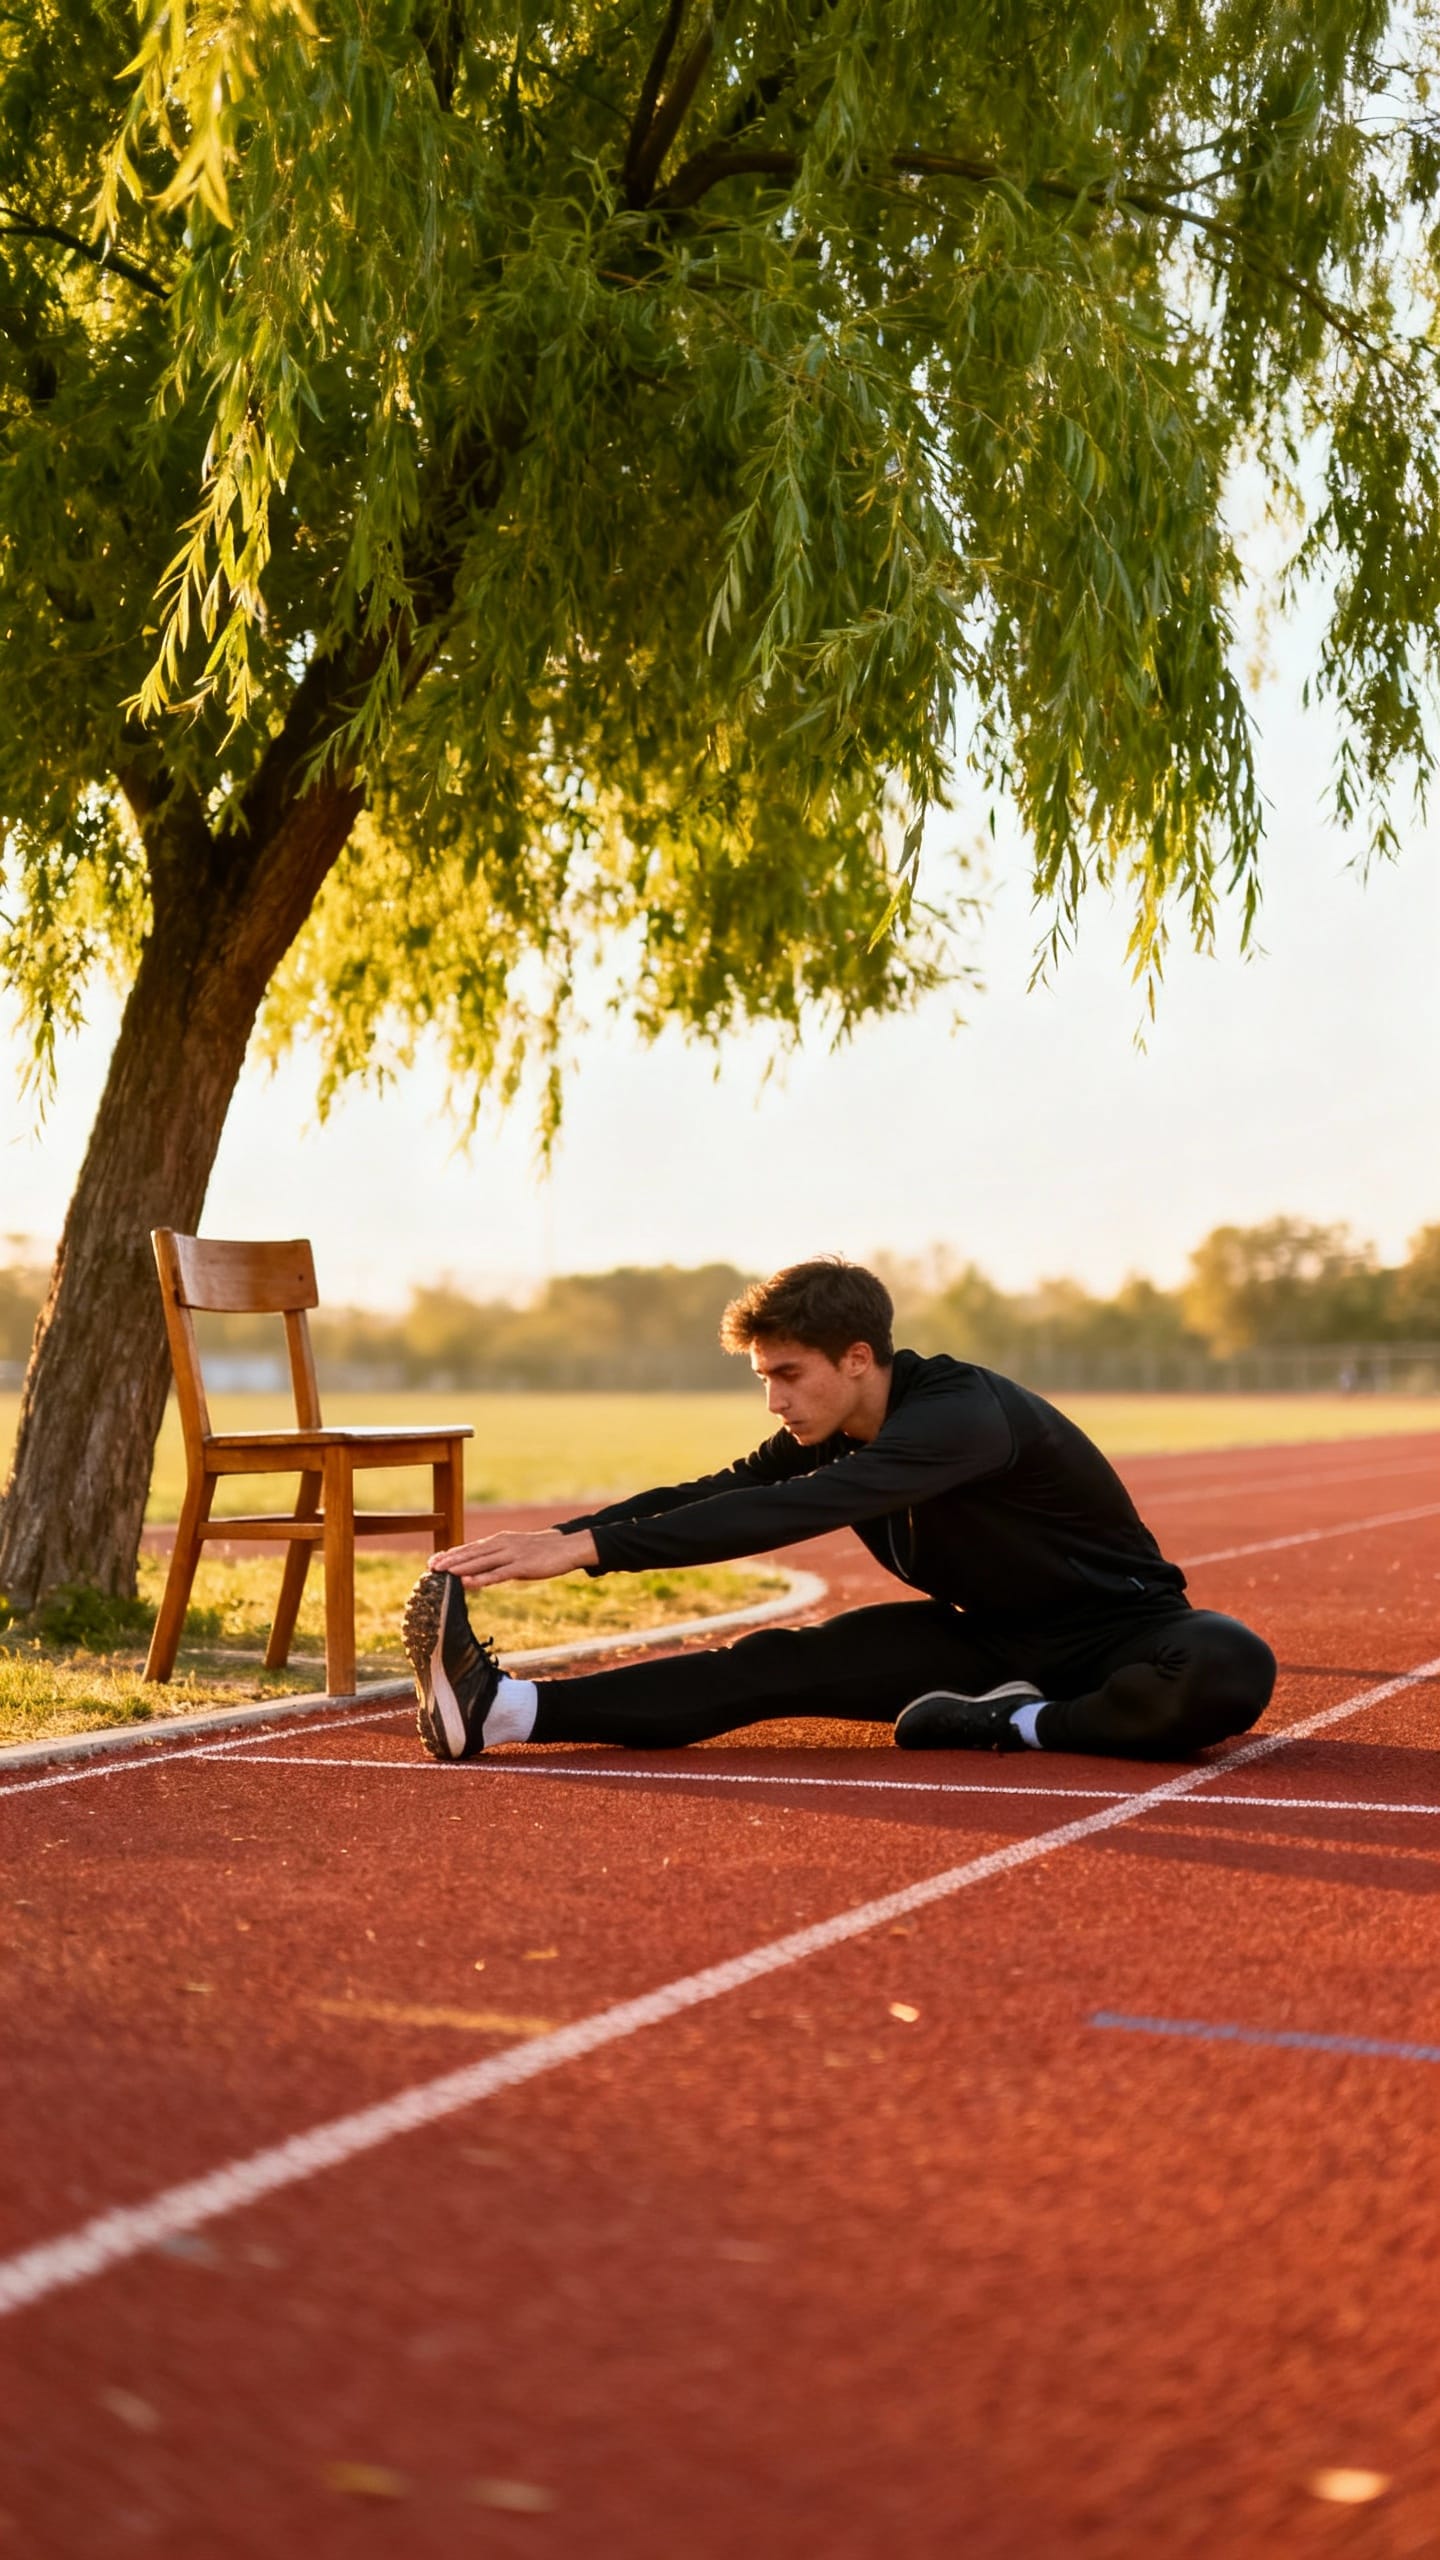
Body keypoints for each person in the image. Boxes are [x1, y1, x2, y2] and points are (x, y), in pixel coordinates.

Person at [401, 1258, 1275, 1765]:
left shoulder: (960, 1417)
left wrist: (592, 1551)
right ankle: (502, 1713)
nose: (774, 1401)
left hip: (1120, 1635)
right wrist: (560, 1538)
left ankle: (1011, 1722)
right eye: (764, 1379)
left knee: (1229, 1661)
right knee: (773, 1665)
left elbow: (791, 1512)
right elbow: (726, 1492)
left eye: (788, 1375)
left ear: (857, 1358)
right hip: (990, 1643)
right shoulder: (833, 1425)